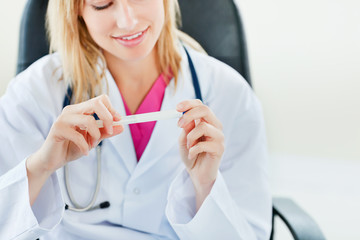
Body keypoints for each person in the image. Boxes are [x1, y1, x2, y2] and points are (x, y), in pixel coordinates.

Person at [0, 0, 271, 239]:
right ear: (77, 10)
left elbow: (250, 233)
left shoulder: (230, 95)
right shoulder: (33, 94)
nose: (127, 21)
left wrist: (205, 186)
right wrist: (40, 167)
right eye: (102, 4)